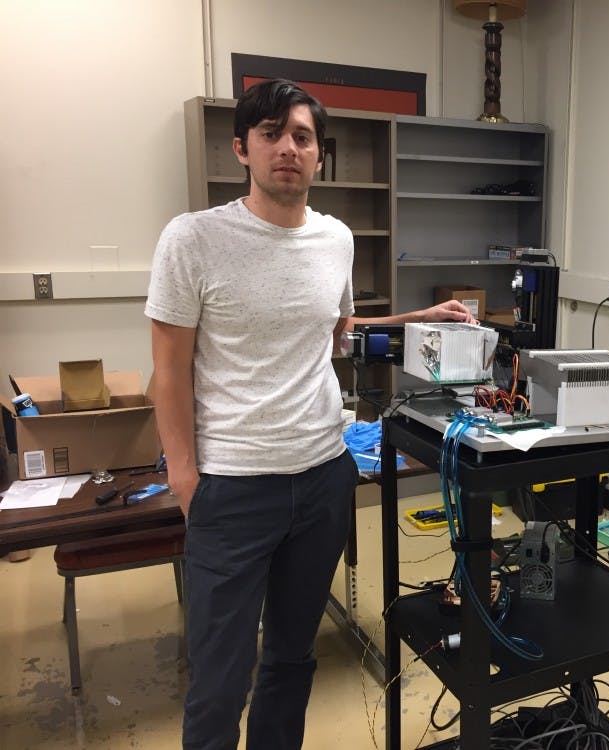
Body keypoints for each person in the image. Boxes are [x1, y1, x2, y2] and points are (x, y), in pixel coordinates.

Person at [145, 78, 474, 750]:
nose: (286, 148)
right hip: (233, 486)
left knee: (292, 661)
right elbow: (168, 371)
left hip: (323, 477)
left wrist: (418, 318)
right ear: (242, 148)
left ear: (320, 155)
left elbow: (335, 331)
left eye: (302, 137)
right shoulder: (194, 240)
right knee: (219, 679)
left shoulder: (337, 240)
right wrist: (185, 476)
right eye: (271, 134)